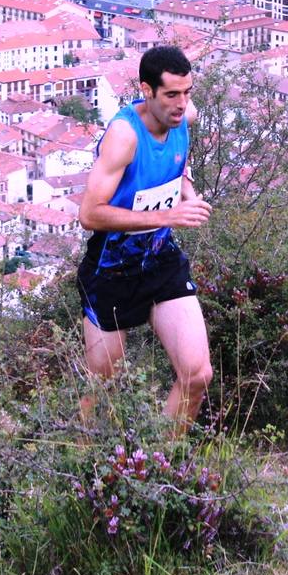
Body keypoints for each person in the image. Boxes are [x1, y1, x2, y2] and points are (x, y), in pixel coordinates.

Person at [77, 45, 213, 430]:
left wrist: (187, 191)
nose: (181, 104)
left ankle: (161, 466)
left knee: (197, 375)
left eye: (187, 92)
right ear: (147, 90)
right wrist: (169, 214)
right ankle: (77, 467)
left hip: (160, 260)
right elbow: (89, 214)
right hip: (110, 271)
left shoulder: (184, 116)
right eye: (171, 94)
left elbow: (177, 165)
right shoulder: (124, 136)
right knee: (103, 391)